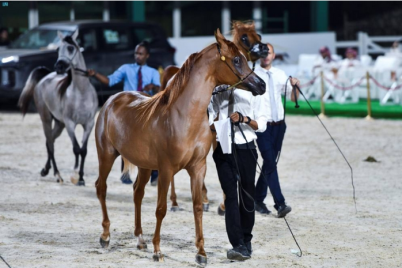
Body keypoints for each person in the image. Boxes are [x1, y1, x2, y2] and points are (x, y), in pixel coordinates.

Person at [88, 41, 160, 185]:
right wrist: (95, 74)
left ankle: (155, 171)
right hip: (130, 106)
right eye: (136, 53)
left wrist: (153, 86)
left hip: (147, 106)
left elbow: (159, 91)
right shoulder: (126, 69)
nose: (137, 56)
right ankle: (125, 171)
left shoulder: (153, 72)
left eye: (141, 54)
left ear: (147, 55)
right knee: (125, 133)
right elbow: (110, 81)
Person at [209, 87, 269, 261]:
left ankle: (246, 239)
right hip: (223, 149)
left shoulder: (254, 90)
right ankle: (238, 244)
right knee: (230, 197)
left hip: (246, 147)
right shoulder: (219, 90)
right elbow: (210, 113)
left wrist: (244, 119)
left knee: (247, 195)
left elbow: (262, 124)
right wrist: (212, 122)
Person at [253, 43, 300, 218]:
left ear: (273, 56)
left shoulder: (280, 74)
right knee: (270, 162)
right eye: (263, 53)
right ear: (258, 55)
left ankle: (257, 199)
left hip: (279, 125)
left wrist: (296, 86)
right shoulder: (253, 75)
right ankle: (280, 203)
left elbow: (293, 98)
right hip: (262, 125)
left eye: (269, 53)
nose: (266, 56)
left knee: (270, 162)